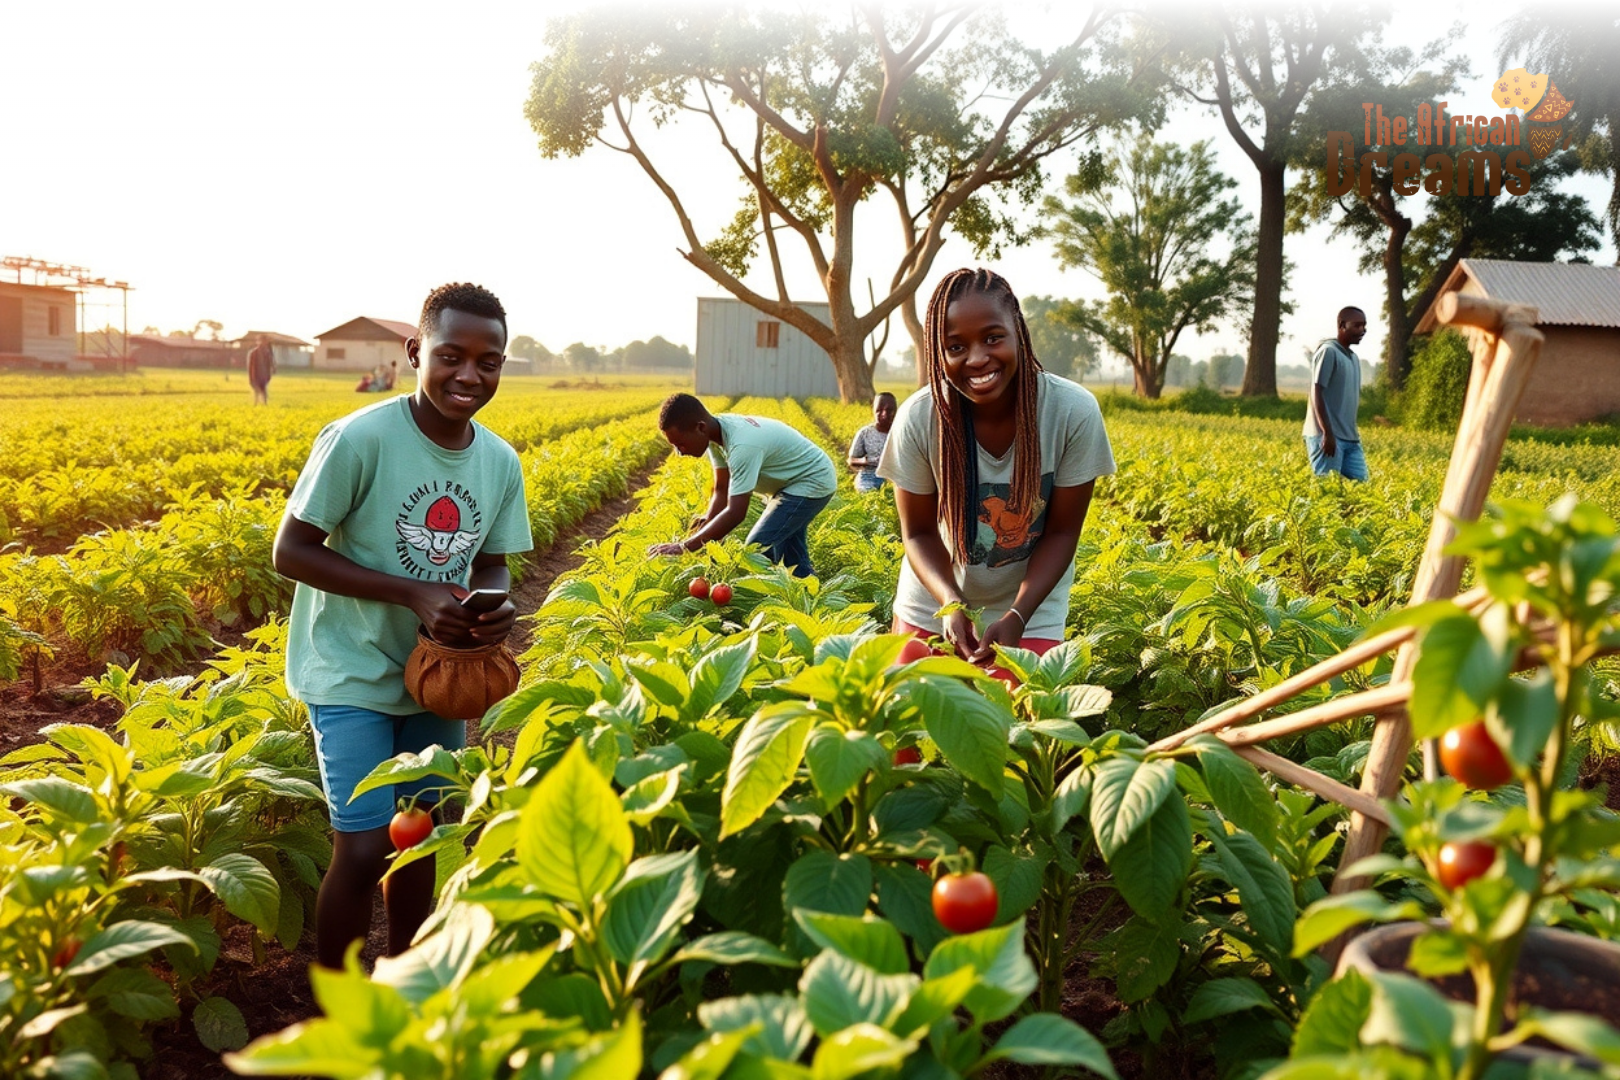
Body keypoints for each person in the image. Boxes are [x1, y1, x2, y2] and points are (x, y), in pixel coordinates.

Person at [272, 282, 532, 969]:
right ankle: (338, 1013)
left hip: (436, 678)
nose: (469, 375)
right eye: (451, 355)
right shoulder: (361, 438)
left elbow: (496, 563)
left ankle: (407, 983)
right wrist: (414, 594)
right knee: (363, 847)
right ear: (416, 352)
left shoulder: (499, 461)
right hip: (349, 668)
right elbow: (290, 551)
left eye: (489, 361)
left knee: (423, 837)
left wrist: (492, 605)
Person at [877, 268, 1115, 665]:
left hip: (1030, 609)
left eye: (992, 338)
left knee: (1016, 721)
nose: (977, 358)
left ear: (1018, 331)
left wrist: (1018, 617)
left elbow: (1061, 532)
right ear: (939, 353)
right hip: (935, 604)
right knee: (911, 714)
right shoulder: (921, 418)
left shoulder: (1071, 412)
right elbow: (918, 533)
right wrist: (951, 605)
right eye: (955, 347)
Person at [650, 393, 836, 577]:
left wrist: (685, 547)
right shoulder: (715, 434)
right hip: (789, 484)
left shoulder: (742, 446)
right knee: (791, 558)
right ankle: (806, 593)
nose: (679, 452)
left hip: (812, 480)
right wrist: (707, 527)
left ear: (700, 428)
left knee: (757, 548)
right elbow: (722, 489)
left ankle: (766, 597)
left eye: (680, 444)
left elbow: (736, 513)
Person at [1304, 307, 1369, 481]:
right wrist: (1327, 433)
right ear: (1342, 325)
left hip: (1350, 438)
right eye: (1357, 325)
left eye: (1364, 326)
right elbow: (1316, 391)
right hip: (1328, 438)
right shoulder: (1328, 351)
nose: (1363, 330)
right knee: (1327, 493)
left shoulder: (1353, 358)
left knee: (1361, 490)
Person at [847, 392, 897, 492]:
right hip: (869, 477)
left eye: (889, 410)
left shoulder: (901, 433)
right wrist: (865, 461)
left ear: (895, 412)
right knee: (868, 492)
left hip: (894, 477)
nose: (884, 414)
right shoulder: (865, 433)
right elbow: (851, 460)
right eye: (879, 410)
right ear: (873, 410)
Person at [247, 333, 276, 405]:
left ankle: (264, 403)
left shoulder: (267, 352)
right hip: (256, 373)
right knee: (257, 388)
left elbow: (270, 362)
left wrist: (273, 368)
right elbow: (251, 365)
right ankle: (256, 402)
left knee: (263, 388)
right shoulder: (254, 352)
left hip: (264, 374)